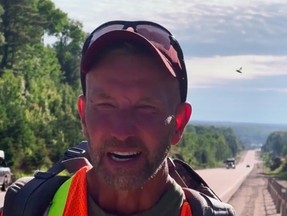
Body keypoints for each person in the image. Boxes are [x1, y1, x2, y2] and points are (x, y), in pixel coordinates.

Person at [1, 20, 235, 216]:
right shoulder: (26, 206)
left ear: (179, 123)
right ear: (83, 116)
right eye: (105, 105)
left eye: (145, 108)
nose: (122, 131)